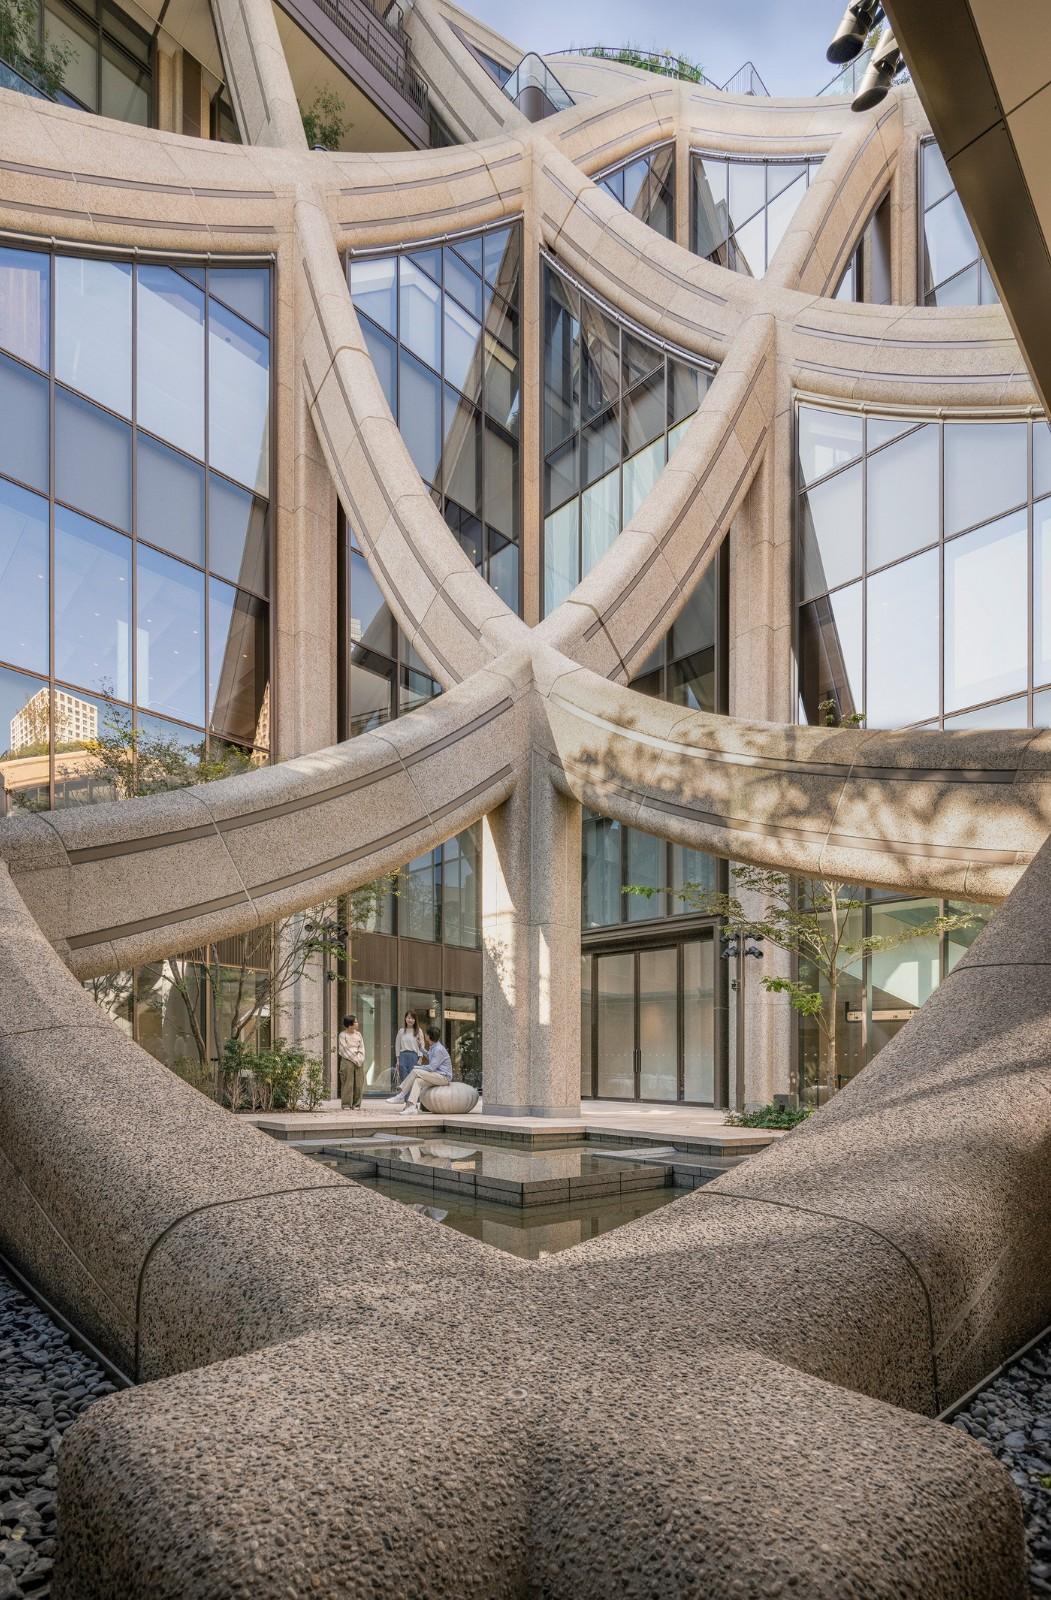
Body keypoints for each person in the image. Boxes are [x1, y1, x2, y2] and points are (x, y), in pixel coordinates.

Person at [386, 1024, 452, 1115]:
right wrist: (421, 1048)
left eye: (426, 1034)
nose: (425, 1035)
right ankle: (412, 1107)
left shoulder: (438, 1049)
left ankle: (401, 1095)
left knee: (415, 1071)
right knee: (417, 1081)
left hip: (443, 1077)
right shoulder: (434, 1047)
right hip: (437, 1075)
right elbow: (430, 1056)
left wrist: (417, 1067)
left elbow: (431, 1067)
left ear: (429, 1036)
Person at [337, 1014, 366, 1110]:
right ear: (350, 1024)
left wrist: (360, 1059)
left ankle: (356, 1104)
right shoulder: (342, 1035)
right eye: (356, 1022)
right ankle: (346, 1104)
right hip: (347, 1061)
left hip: (359, 1061)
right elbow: (344, 1049)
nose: (357, 1024)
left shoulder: (358, 1034)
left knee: (359, 1083)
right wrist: (355, 1058)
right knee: (347, 1083)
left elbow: (362, 1048)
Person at [393, 1010, 425, 1088]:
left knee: (413, 1078)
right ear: (405, 1018)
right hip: (403, 1056)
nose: (410, 1020)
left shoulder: (418, 1031)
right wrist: (398, 1060)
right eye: (409, 1018)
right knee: (404, 1078)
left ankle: (412, 1099)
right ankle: (405, 1099)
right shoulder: (401, 1031)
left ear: (415, 1020)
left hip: (414, 1056)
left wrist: (420, 1058)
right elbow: (397, 1045)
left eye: (412, 1018)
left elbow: (422, 1045)